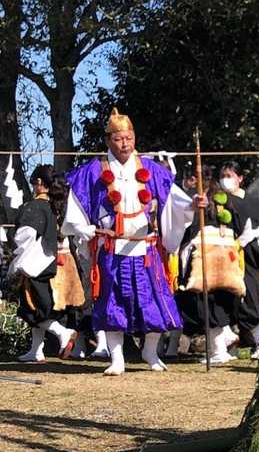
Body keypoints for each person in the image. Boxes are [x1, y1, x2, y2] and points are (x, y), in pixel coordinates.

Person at [63, 110, 205, 375]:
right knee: (112, 304)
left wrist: (193, 204)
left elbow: (175, 200)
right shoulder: (92, 171)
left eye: (129, 138)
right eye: (118, 139)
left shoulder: (151, 170)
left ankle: (150, 351)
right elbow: (76, 208)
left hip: (146, 249)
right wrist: (84, 228)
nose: (125, 144)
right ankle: (117, 359)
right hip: (111, 248)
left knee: (154, 301)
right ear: (108, 140)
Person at [9, 165, 79, 362]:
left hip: (35, 264)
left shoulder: (34, 207)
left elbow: (24, 237)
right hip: (56, 264)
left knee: (31, 309)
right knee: (38, 306)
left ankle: (62, 333)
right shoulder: (58, 206)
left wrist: (17, 259)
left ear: (39, 183)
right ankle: (36, 350)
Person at [174, 178, 246, 363]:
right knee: (218, 304)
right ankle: (222, 343)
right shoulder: (227, 206)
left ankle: (218, 351)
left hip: (204, 264)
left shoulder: (202, 210)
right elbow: (238, 229)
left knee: (208, 306)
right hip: (226, 265)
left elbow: (187, 232)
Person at [218, 160, 259, 353]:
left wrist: (253, 236)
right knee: (225, 301)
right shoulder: (218, 203)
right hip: (223, 260)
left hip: (249, 261)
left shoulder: (256, 206)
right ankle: (230, 345)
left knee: (253, 300)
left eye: (229, 176)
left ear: (240, 178)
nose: (225, 180)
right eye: (222, 176)